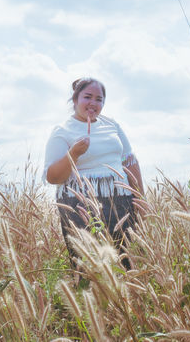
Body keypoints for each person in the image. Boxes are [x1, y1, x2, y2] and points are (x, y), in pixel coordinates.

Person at [44, 77, 143, 271]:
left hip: (121, 203)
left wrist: (141, 199)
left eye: (99, 99)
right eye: (87, 97)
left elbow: (130, 161)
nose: (93, 103)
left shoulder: (112, 126)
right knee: (88, 266)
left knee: (126, 262)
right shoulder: (62, 131)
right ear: (75, 100)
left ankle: (125, 300)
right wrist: (73, 154)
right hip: (80, 206)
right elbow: (53, 177)